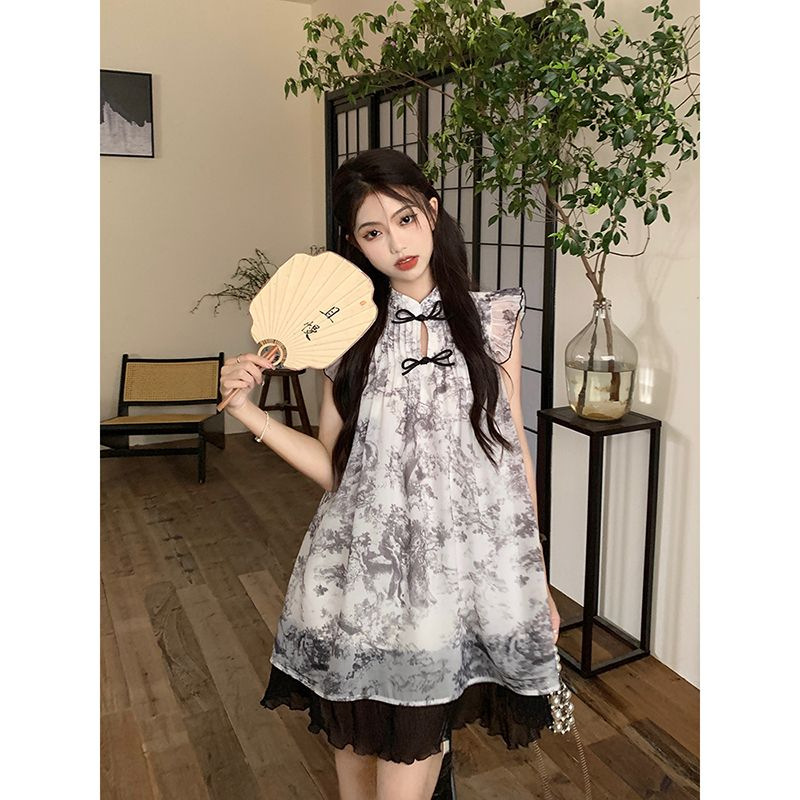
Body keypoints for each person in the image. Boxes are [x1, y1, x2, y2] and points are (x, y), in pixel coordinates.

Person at [219, 148, 561, 800]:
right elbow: (333, 468)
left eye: (405, 219)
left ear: (432, 211)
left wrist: (535, 573)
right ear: (355, 244)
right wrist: (246, 413)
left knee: (410, 762)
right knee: (357, 762)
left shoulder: (493, 319)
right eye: (374, 232)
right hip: (358, 581)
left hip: (455, 583)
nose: (397, 244)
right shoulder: (346, 338)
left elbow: (512, 453)